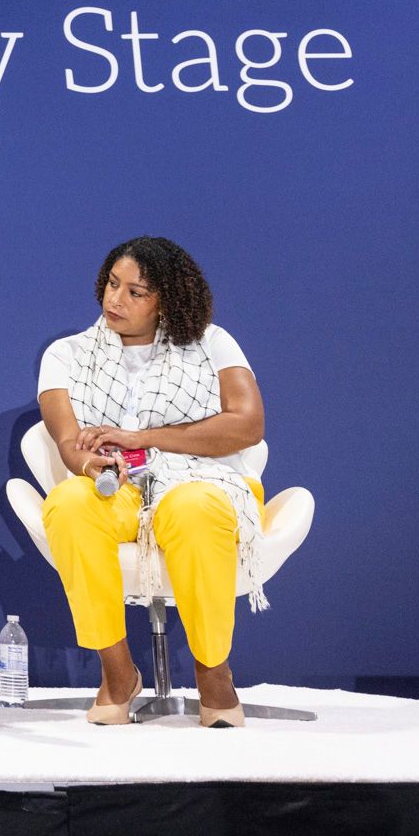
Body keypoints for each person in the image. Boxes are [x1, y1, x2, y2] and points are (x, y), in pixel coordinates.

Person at [37, 236, 266, 729]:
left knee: (191, 507)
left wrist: (140, 437)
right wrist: (88, 465)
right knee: (68, 504)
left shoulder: (212, 343)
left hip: (207, 481)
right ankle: (118, 671)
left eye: (136, 292)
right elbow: (66, 439)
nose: (115, 299)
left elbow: (247, 424)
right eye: (112, 284)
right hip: (121, 487)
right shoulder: (67, 354)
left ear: (169, 299)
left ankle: (213, 672)